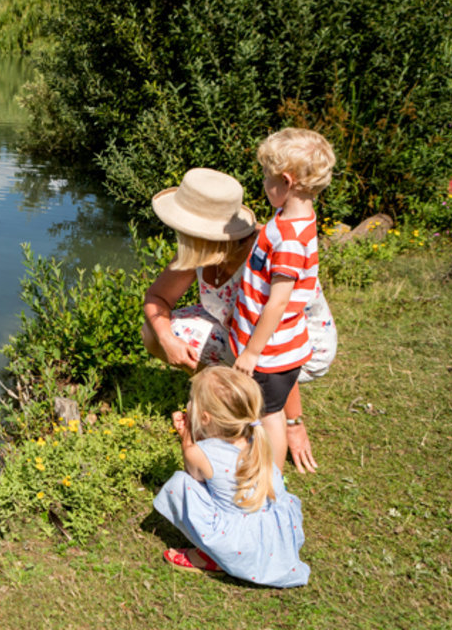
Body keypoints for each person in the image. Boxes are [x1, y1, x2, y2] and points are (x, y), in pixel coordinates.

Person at [142, 167, 336, 473]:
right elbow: (156, 298)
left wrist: (294, 422)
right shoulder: (201, 250)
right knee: (153, 331)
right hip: (244, 334)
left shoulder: (262, 259)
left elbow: (281, 344)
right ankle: (228, 394)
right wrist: (167, 339)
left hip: (294, 346)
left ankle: (251, 412)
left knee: (262, 397)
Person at [228, 128, 336, 472]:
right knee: (260, 410)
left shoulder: (289, 239)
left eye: (266, 176)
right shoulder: (293, 220)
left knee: (269, 415)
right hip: (279, 347)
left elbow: (277, 302)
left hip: (271, 353)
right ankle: (256, 464)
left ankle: (270, 480)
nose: (263, 182)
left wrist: (251, 352)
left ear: (286, 182)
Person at [153, 367, 309, 586]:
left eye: (191, 400)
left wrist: (187, 438)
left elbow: (194, 474)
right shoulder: (258, 440)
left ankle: (210, 557)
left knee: (180, 485)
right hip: (274, 535)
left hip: (237, 543)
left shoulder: (202, 453)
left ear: (205, 418)